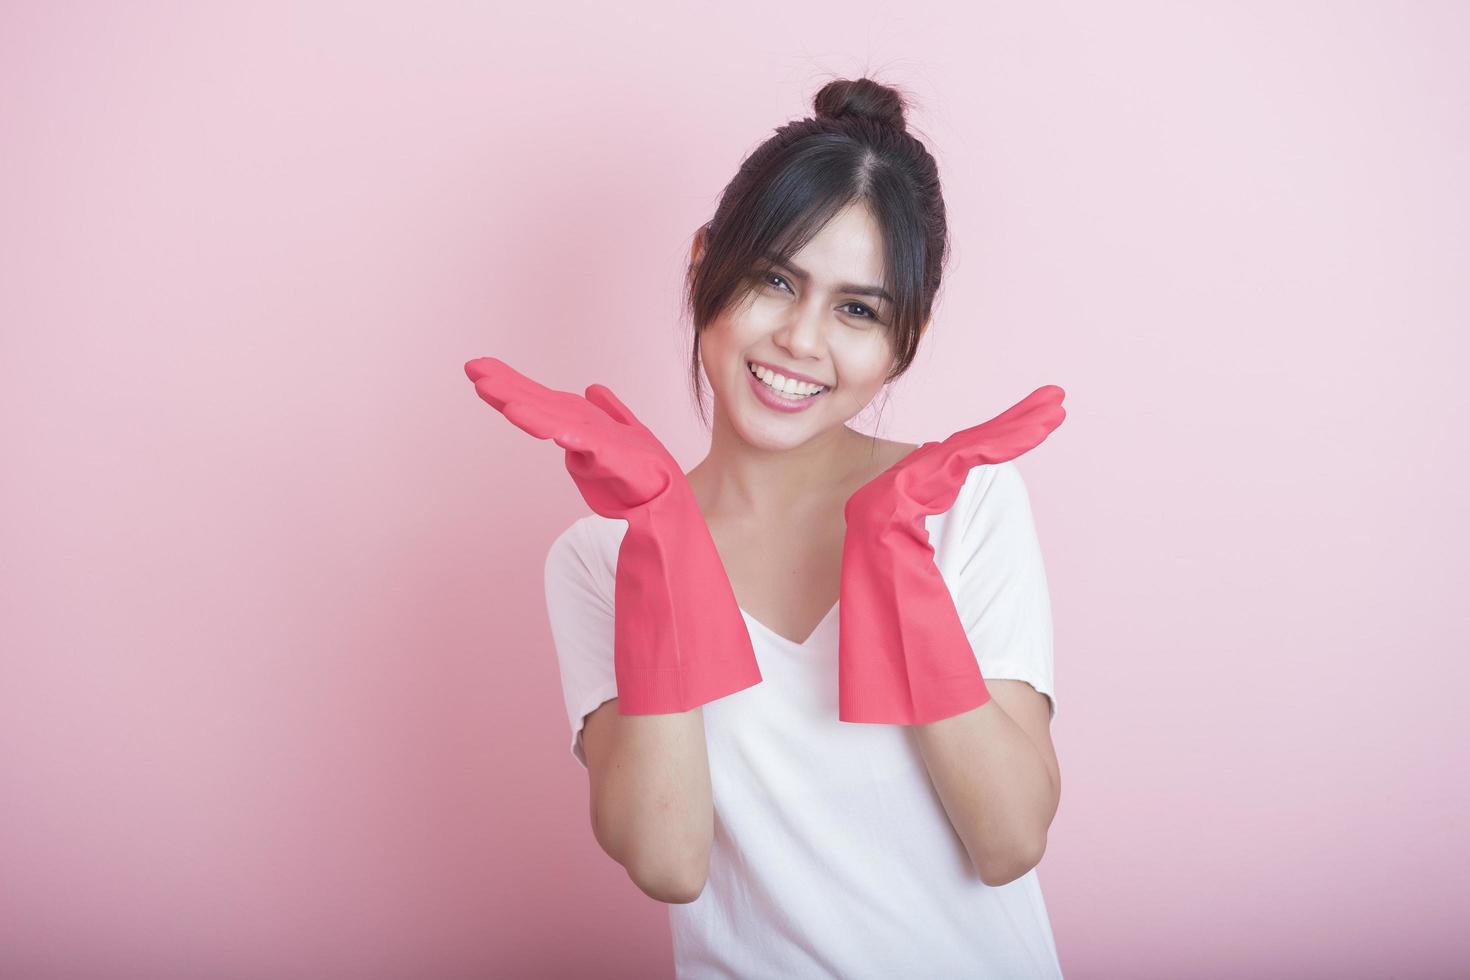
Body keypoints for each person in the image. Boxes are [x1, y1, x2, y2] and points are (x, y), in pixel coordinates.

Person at [474, 76, 1066, 979]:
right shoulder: (599, 558)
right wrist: (664, 548)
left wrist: (899, 562)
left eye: (857, 309)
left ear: (904, 340)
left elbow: (1009, 839)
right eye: (775, 279)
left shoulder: (968, 507)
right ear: (705, 262)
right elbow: (668, 860)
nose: (800, 337)